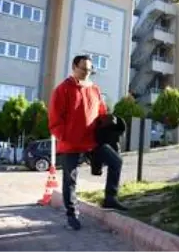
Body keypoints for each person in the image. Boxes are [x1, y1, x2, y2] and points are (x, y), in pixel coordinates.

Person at [48, 55, 127, 231]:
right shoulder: (62, 89)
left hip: (93, 141)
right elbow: (54, 119)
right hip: (72, 143)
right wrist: (65, 136)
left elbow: (101, 112)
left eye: (90, 70)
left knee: (116, 161)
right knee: (70, 180)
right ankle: (72, 215)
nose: (87, 72)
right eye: (84, 69)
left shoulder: (94, 89)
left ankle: (110, 199)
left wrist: (109, 124)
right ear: (74, 67)